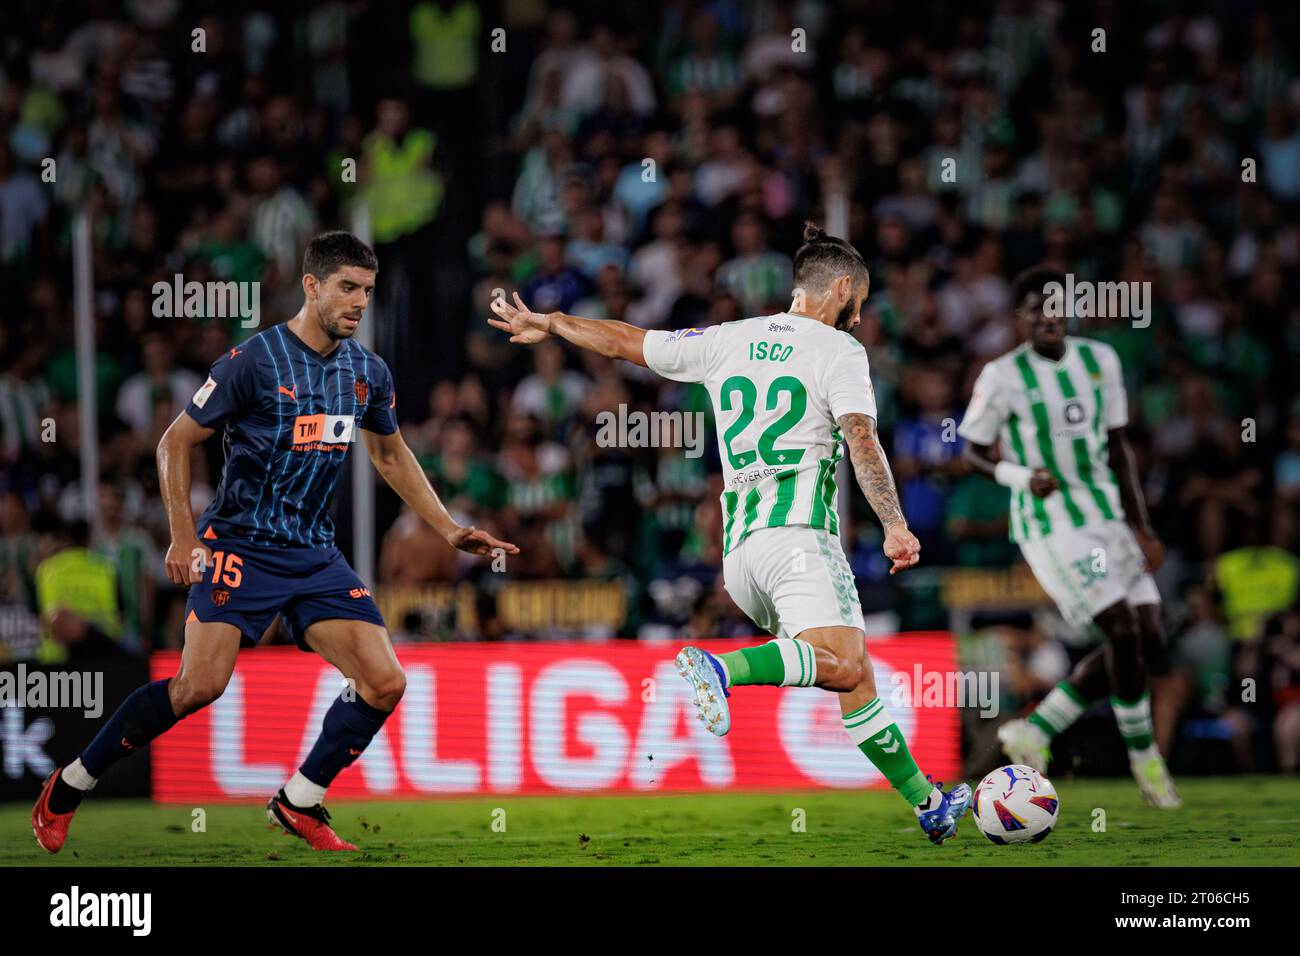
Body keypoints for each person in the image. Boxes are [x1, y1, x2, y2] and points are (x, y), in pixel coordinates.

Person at [31, 232, 517, 853]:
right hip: (239, 544)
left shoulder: (366, 371)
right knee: (199, 686)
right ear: (311, 285)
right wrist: (183, 536)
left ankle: (300, 800)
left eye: (367, 291)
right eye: (346, 288)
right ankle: (67, 787)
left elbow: (390, 452)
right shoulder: (253, 362)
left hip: (314, 552)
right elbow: (174, 443)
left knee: (385, 681)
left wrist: (447, 527)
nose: (358, 302)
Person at [490, 222, 973, 845]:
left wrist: (553, 322)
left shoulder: (728, 339)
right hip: (801, 537)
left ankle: (927, 803)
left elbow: (626, 343)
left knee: (854, 677)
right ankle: (722, 671)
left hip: (740, 557)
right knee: (846, 663)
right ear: (843, 288)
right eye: (860, 301)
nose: (859, 316)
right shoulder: (839, 352)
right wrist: (895, 524)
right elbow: (861, 436)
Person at [957, 266, 1180, 808]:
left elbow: (1120, 449)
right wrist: (1020, 475)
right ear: (1022, 318)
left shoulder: (1100, 361)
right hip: (1054, 525)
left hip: (1106, 516)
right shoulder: (1003, 376)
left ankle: (1036, 731)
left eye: (1056, 304)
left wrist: (1141, 526)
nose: (1048, 315)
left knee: (1149, 637)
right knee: (1122, 628)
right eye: (1036, 307)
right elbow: (971, 451)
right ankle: (1146, 758)